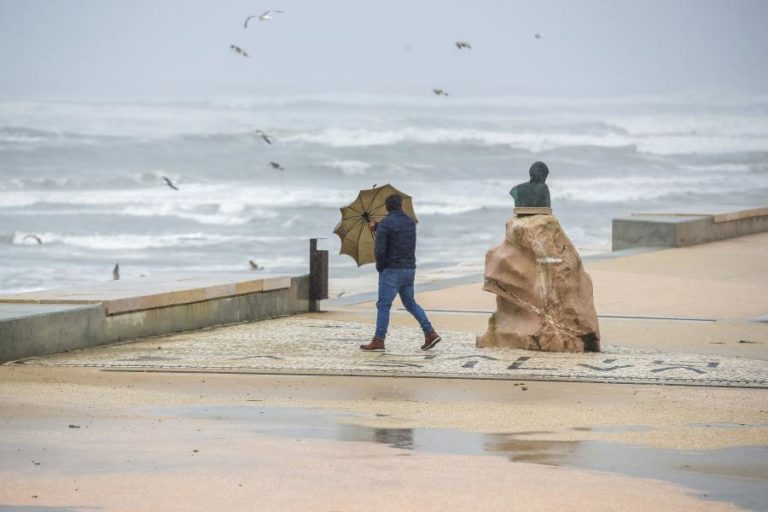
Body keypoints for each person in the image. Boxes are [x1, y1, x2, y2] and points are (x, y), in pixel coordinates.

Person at [359, 194, 441, 352]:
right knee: (410, 303)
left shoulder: (386, 224)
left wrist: (380, 267)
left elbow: (380, 249)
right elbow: (397, 237)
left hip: (391, 271)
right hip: (409, 270)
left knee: (383, 305)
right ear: (401, 206)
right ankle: (430, 333)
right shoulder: (410, 223)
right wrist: (377, 226)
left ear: (388, 207)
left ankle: (378, 340)